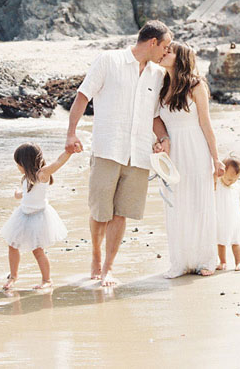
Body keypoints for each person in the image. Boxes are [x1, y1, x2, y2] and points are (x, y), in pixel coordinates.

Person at [65, 21, 173, 287]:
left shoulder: (157, 75)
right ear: (152, 43)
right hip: (107, 148)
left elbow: (155, 116)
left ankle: (108, 269)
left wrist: (163, 138)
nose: (166, 51)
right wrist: (71, 133)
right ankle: (95, 255)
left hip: (138, 154)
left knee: (121, 213)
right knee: (100, 211)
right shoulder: (108, 61)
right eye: (165, 46)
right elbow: (83, 97)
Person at [158, 41, 224, 277]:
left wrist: (216, 159)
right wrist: (161, 141)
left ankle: (206, 260)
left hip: (195, 148)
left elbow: (206, 123)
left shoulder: (196, 85)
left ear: (181, 58)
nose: (164, 53)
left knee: (199, 202)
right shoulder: (161, 85)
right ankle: (180, 261)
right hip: (172, 151)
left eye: (169, 51)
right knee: (176, 204)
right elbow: (157, 121)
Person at [0, 142, 72, 292]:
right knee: (12, 245)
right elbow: (27, 194)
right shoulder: (27, 178)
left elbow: (58, 163)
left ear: (24, 163)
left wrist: (69, 152)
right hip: (23, 215)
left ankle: (47, 279)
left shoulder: (42, 174)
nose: (17, 167)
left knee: (37, 250)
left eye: (18, 163)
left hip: (38, 217)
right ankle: (13, 276)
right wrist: (18, 194)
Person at [215, 156, 240, 272]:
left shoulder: (235, 187)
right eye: (229, 179)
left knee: (236, 242)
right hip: (221, 218)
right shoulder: (218, 184)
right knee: (221, 242)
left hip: (234, 219)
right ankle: (223, 261)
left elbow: (235, 200)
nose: (231, 182)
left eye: (235, 179)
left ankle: (238, 262)